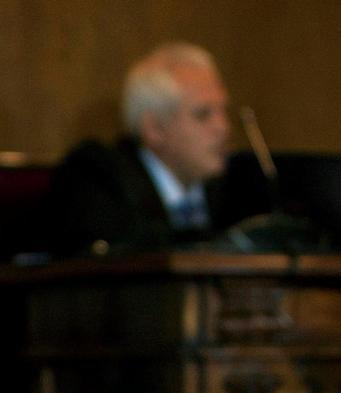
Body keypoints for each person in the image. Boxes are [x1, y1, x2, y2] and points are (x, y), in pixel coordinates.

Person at [47, 42, 260, 256]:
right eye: (203, 115)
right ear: (155, 129)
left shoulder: (239, 186)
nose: (223, 127)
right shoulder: (99, 177)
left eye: (223, 111)